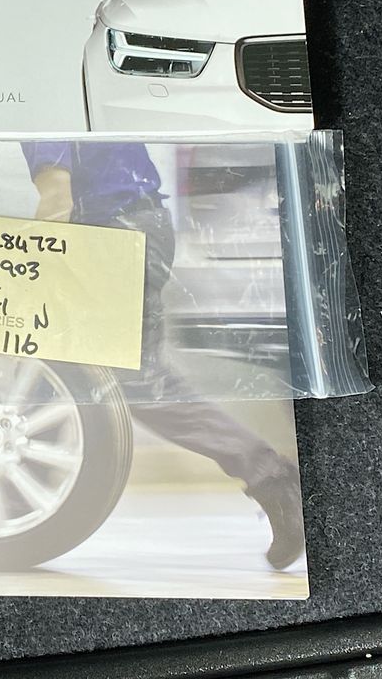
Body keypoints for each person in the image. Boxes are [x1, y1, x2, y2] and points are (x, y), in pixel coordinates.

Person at [21, 140, 305, 569]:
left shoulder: (39, 110)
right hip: (138, 223)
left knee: (138, 382)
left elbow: (57, 196)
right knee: (56, 364)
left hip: (113, 235)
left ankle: (269, 476)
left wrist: (25, 275)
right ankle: (19, 513)